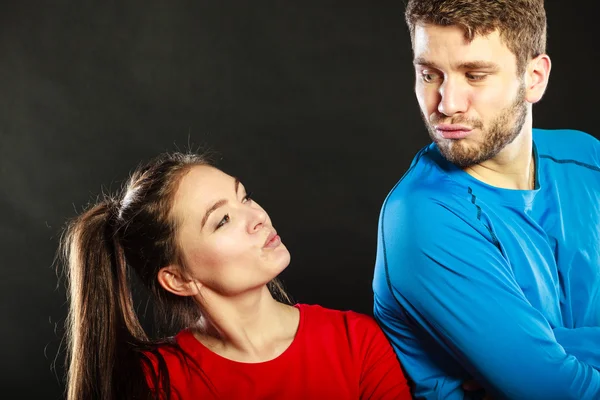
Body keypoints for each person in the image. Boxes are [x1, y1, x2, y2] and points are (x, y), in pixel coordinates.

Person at [372, 0, 600, 399]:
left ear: (534, 78)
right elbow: (558, 390)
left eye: (474, 75)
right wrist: (553, 360)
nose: (446, 104)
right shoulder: (421, 217)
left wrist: (552, 346)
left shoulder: (586, 158)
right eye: (429, 74)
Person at [59, 151, 411, 400]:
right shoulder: (155, 385)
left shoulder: (355, 342)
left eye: (244, 197)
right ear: (179, 279)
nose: (257, 216)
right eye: (222, 220)